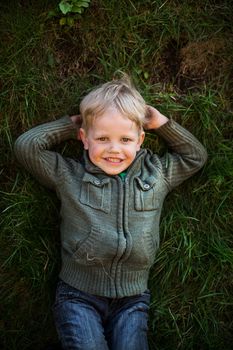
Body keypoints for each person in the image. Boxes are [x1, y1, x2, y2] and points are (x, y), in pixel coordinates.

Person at [14, 74, 207, 350]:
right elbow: (26, 147)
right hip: (78, 296)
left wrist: (162, 124)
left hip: (133, 298)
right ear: (85, 139)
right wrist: (72, 126)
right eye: (102, 137)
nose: (114, 149)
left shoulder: (157, 175)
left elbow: (195, 157)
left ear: (140, 139)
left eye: (125, 139)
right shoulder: (70, 176)